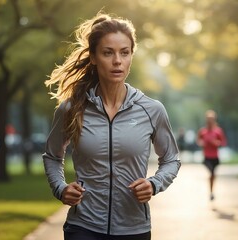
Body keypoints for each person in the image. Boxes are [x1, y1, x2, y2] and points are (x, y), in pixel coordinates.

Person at [42, 12, 181, 240]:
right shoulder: (71, 109)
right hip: (84, 227)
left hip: (133, 229)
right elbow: (52, 155)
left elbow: (171, 159)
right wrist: (60, 188)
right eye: (108, 53)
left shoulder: (151, 109)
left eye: (124, 53)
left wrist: (154, 184)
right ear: (94, 57)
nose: (117, 61)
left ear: (131, 57)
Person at [196, 110, 226, 201]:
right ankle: (211, 192)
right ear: (206, 120)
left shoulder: (218, 131)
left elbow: (223, 143)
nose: (209, 121)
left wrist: (216, 143)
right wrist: (202, 143)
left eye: (211, 119)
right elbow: (198, 140)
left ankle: (211, 192)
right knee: (212, 173)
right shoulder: (202, 131)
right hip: (207, 157)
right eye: (208, 119)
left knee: (213, 174)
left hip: (215, 157)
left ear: (214, 120)